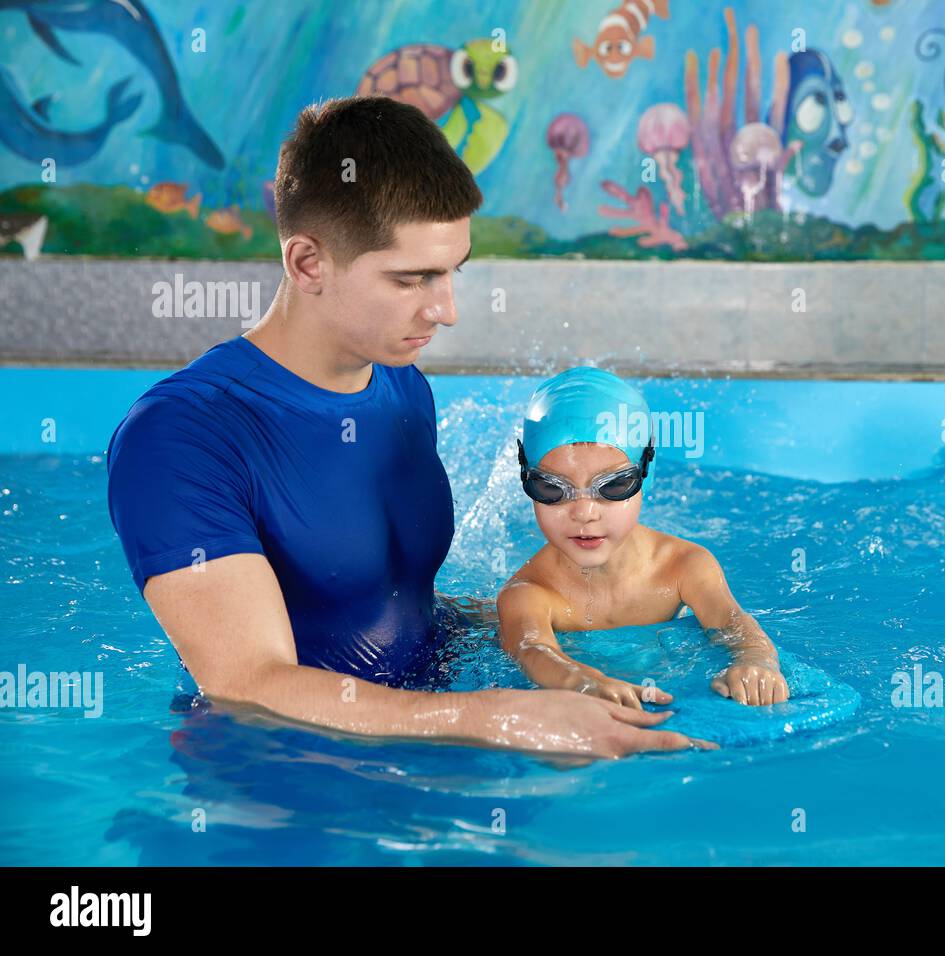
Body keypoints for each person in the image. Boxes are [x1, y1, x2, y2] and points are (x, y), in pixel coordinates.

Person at [106, 96, 713, 759]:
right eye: (412, 279)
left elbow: (388, 603)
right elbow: (246, 685)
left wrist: (558, 631)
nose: (446, 309)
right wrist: (500, 717)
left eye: (454, 271)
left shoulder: (400, 385)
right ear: (308, 263)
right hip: (281, 788)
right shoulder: (181, 436)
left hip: (427, 739)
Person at [497, 367, 789, 709]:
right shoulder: (527, 594)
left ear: (645, 474)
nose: (584, 512)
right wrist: (582, 681)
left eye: (613, 486)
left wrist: (756, 662)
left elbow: (733, 623)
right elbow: (532, 648)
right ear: (525, 478)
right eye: (551, 488)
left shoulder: (683, 567)